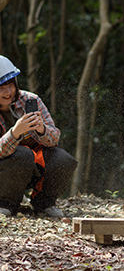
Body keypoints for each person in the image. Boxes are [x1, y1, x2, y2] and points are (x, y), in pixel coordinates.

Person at [0, 55, 77, 218]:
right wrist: (15, 133)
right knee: (22, 154)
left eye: (10, 84)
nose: (8, 92)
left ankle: (44, 204)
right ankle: (6, 204)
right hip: (6, 170)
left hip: (33, 165)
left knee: (64, 159)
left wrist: (41, 129)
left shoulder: (30, 99)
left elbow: (55, 139)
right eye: (1, 87)